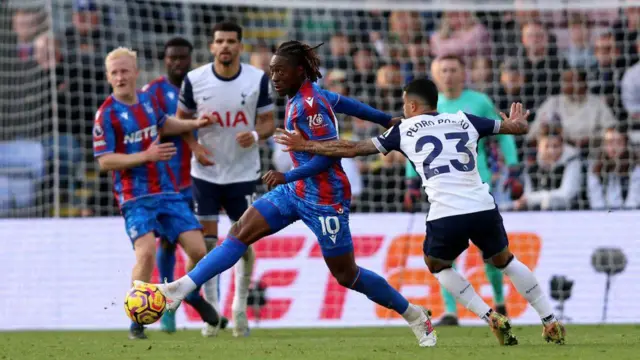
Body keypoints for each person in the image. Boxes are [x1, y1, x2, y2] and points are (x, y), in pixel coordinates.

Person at [137, 40, 437, 348]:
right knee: (239, 232)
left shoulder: (310, 105)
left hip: (325, 198)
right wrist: (385, 119)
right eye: (271, 71)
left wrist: (287, 175)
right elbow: (343, 102)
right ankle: (180, 288)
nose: (274, 77)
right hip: (296, 191)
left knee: (346, 275)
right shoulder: (306, 96)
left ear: (299, 71)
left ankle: (414, 315)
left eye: (280, 71)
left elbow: (329, 155)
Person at [275, 78, 566, 346]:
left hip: (445, 213)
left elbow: (352, 148)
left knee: (437, 264)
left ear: (412, 105)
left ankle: (489, 315)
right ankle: (550, 320)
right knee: (505, 260)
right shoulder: (464, 119)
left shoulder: (402, 130)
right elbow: (515, 129)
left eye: (404, 104)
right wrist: (517, 123)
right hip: (482, 206)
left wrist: (307, 145)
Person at [93, 47, 221, 340]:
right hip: (134, 196)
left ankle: (185, 293)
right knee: (147, 252)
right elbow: (105, 161)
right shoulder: (106, 114)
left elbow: (165, 123)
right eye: (114, 73)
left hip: (166, 190)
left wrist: (195, 124)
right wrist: (146, 156)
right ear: (108, 77)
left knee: (200, 251)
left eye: (125, 71)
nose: (120, 76)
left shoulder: (149, 101)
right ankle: (137, 322)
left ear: (136, 73)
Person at [177, 22, 273, 337]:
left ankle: (240, 308)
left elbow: (270, 122)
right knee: (206, 246)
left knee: (243, 242)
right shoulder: (194, 80)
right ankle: (213, 315)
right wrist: (194, 146)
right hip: (205, 174)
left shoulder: (257, 79)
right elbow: (181, 122)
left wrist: (257, 134)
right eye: (220, 41)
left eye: (231, 41)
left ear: (239, 46)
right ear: (212, 46)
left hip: (243, 174)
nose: (225, 46)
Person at [405, 55, 517, 325]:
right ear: (435, 74)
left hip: (478, 184)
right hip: (442, 189)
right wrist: (411, 181)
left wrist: (513, 168)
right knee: (445, 255)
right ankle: (450, 310)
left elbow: (503, 133)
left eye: (453, 69)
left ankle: (499, 300)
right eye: (442, 70)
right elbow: (413, 145)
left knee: (492, 252)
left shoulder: (478, 101)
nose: (448, 74)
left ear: (463, 73)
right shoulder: (430, 106)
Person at [142, 37, 228, 333]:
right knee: (167, 240)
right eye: (172, 57)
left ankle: (190, 294)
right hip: (166, 181)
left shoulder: (203, 88)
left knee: (204, 244)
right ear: (165, 59)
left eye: (182, 58)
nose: (177, 62)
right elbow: (145, 131)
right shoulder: (151, 93)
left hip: (200, 178)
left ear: (191, 59)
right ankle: (171, 307)